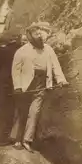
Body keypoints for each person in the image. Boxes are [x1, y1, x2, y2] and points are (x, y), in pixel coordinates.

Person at [10, 21, 68, 152]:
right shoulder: (21, 51)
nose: (39, 37)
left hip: (41, 84)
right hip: (25, 85)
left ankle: (27, 140)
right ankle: (17, 139)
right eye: (36, 34)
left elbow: (55, 66)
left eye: (40, 34)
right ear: (30, 36)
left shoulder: (49, 49)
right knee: (21, 112)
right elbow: (15, 70)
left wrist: (61, 80)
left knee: (34, 113)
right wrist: (17, 86)